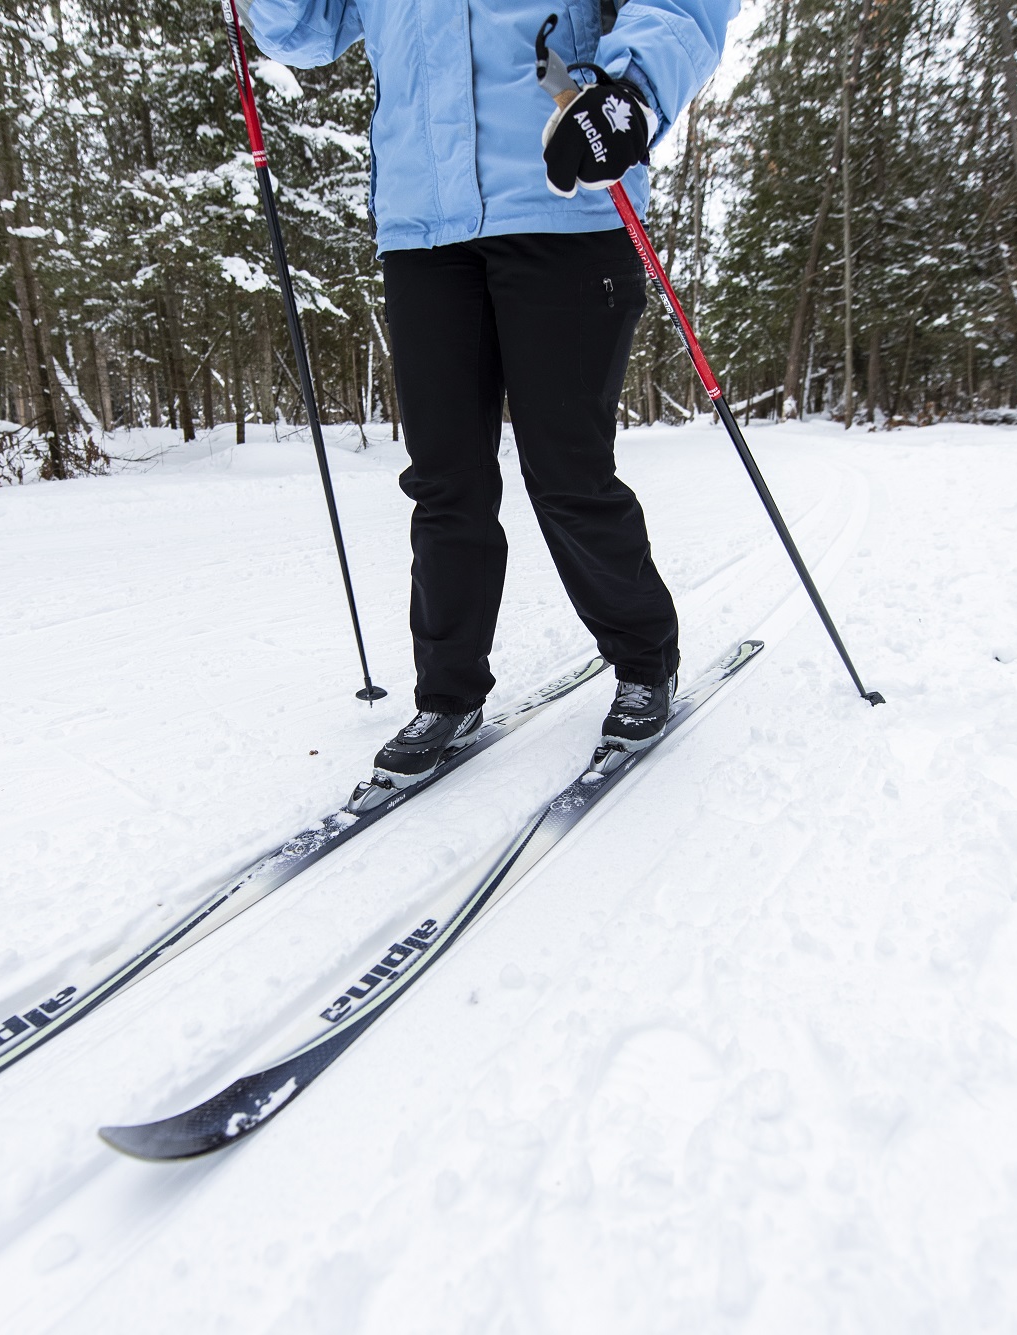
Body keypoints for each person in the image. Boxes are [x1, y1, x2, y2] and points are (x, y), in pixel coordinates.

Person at [247, 0, 737, 786]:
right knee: (447, 480)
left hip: (564, 198)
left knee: (567, 469)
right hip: (423, 224)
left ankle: (646, 660)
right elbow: (306, 30)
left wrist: (633, 89)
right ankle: (449, 695)